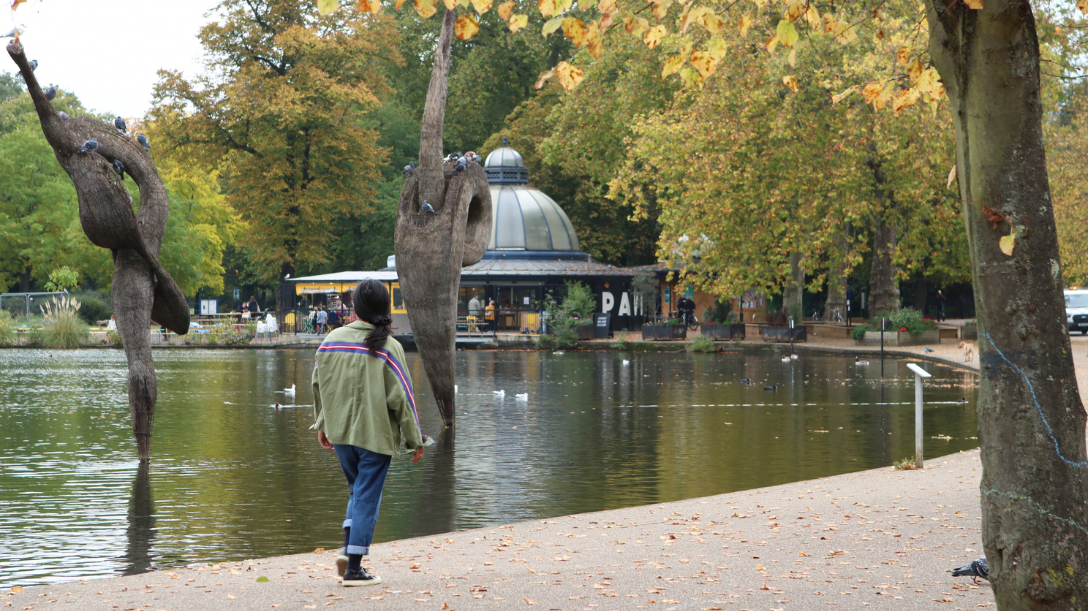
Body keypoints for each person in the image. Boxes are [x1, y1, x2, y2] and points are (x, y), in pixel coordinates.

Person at [312, 279, 427, 587]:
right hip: (374, 436)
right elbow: (402, 397)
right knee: (367, 496)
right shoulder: (390, 346)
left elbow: (319, 383)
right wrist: (415, 439)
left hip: (341, 436)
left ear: (355, 308)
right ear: (385, 309)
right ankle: (353, 567)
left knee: (358, 492)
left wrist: (323, 423)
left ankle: (348, 551)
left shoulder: (332, 339)